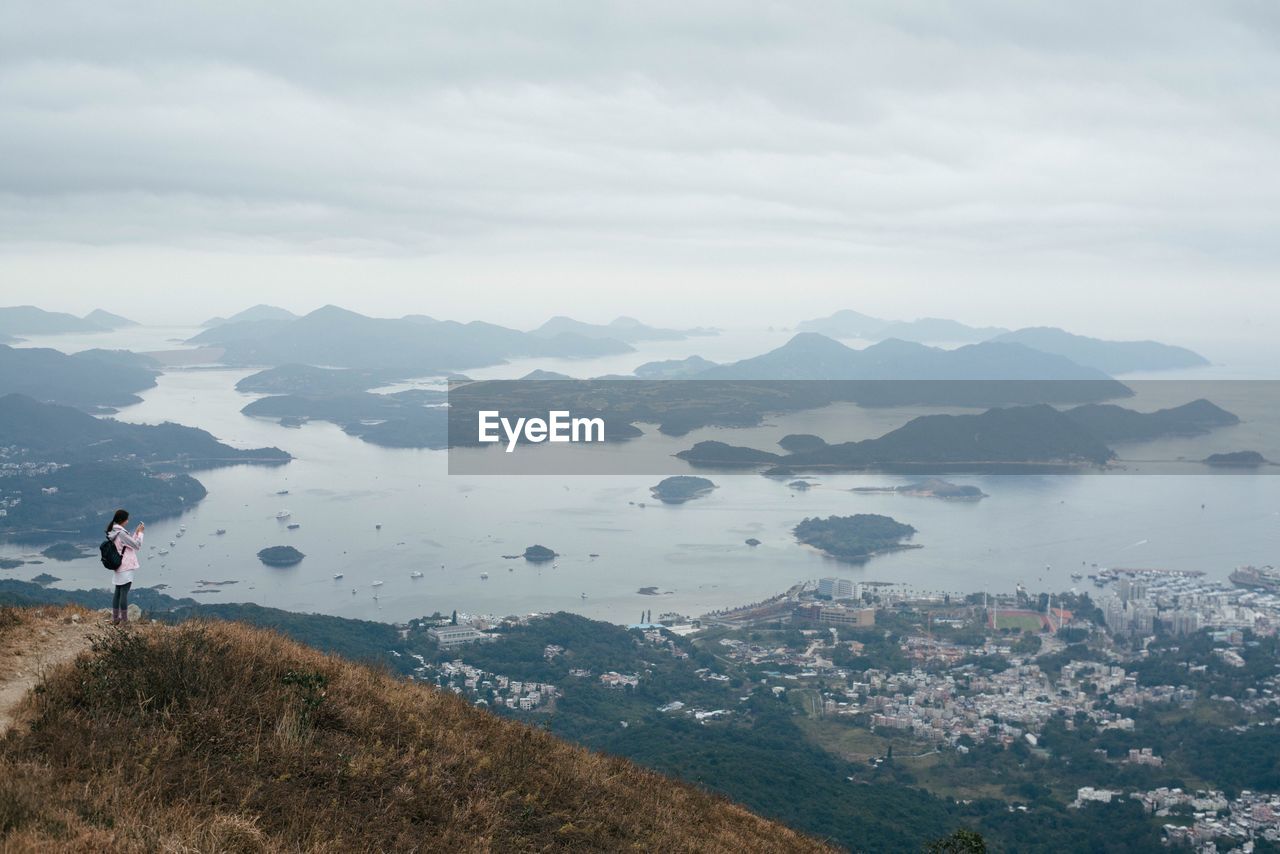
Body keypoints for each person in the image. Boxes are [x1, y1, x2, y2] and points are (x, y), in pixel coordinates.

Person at [105, 509, 144, 626]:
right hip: (126, 566)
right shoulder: (121, 533)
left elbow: (127, 544)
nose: (128, 521)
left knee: (117, 592)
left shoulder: (114, 531)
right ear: (123, 520)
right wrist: (141, 533)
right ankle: (125, 621)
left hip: (119, 565)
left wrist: (136, 533)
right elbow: (136, 545)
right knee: (124, 593)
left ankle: (116, 619)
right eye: (127, 519)